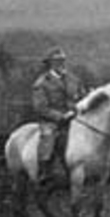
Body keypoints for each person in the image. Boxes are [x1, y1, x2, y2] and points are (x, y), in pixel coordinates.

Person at [31, 47, 84, 187]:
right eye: (57, 61)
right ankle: (45, 171)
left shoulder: (73, 79)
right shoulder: (41, 83)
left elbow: (81, 95)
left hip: (74, 116)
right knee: (48, 137)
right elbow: (40, 107)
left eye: (62, 61)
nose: (61, 64)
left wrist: (81, 105)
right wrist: (60, 116)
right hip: (51, 121)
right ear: (50, 63)